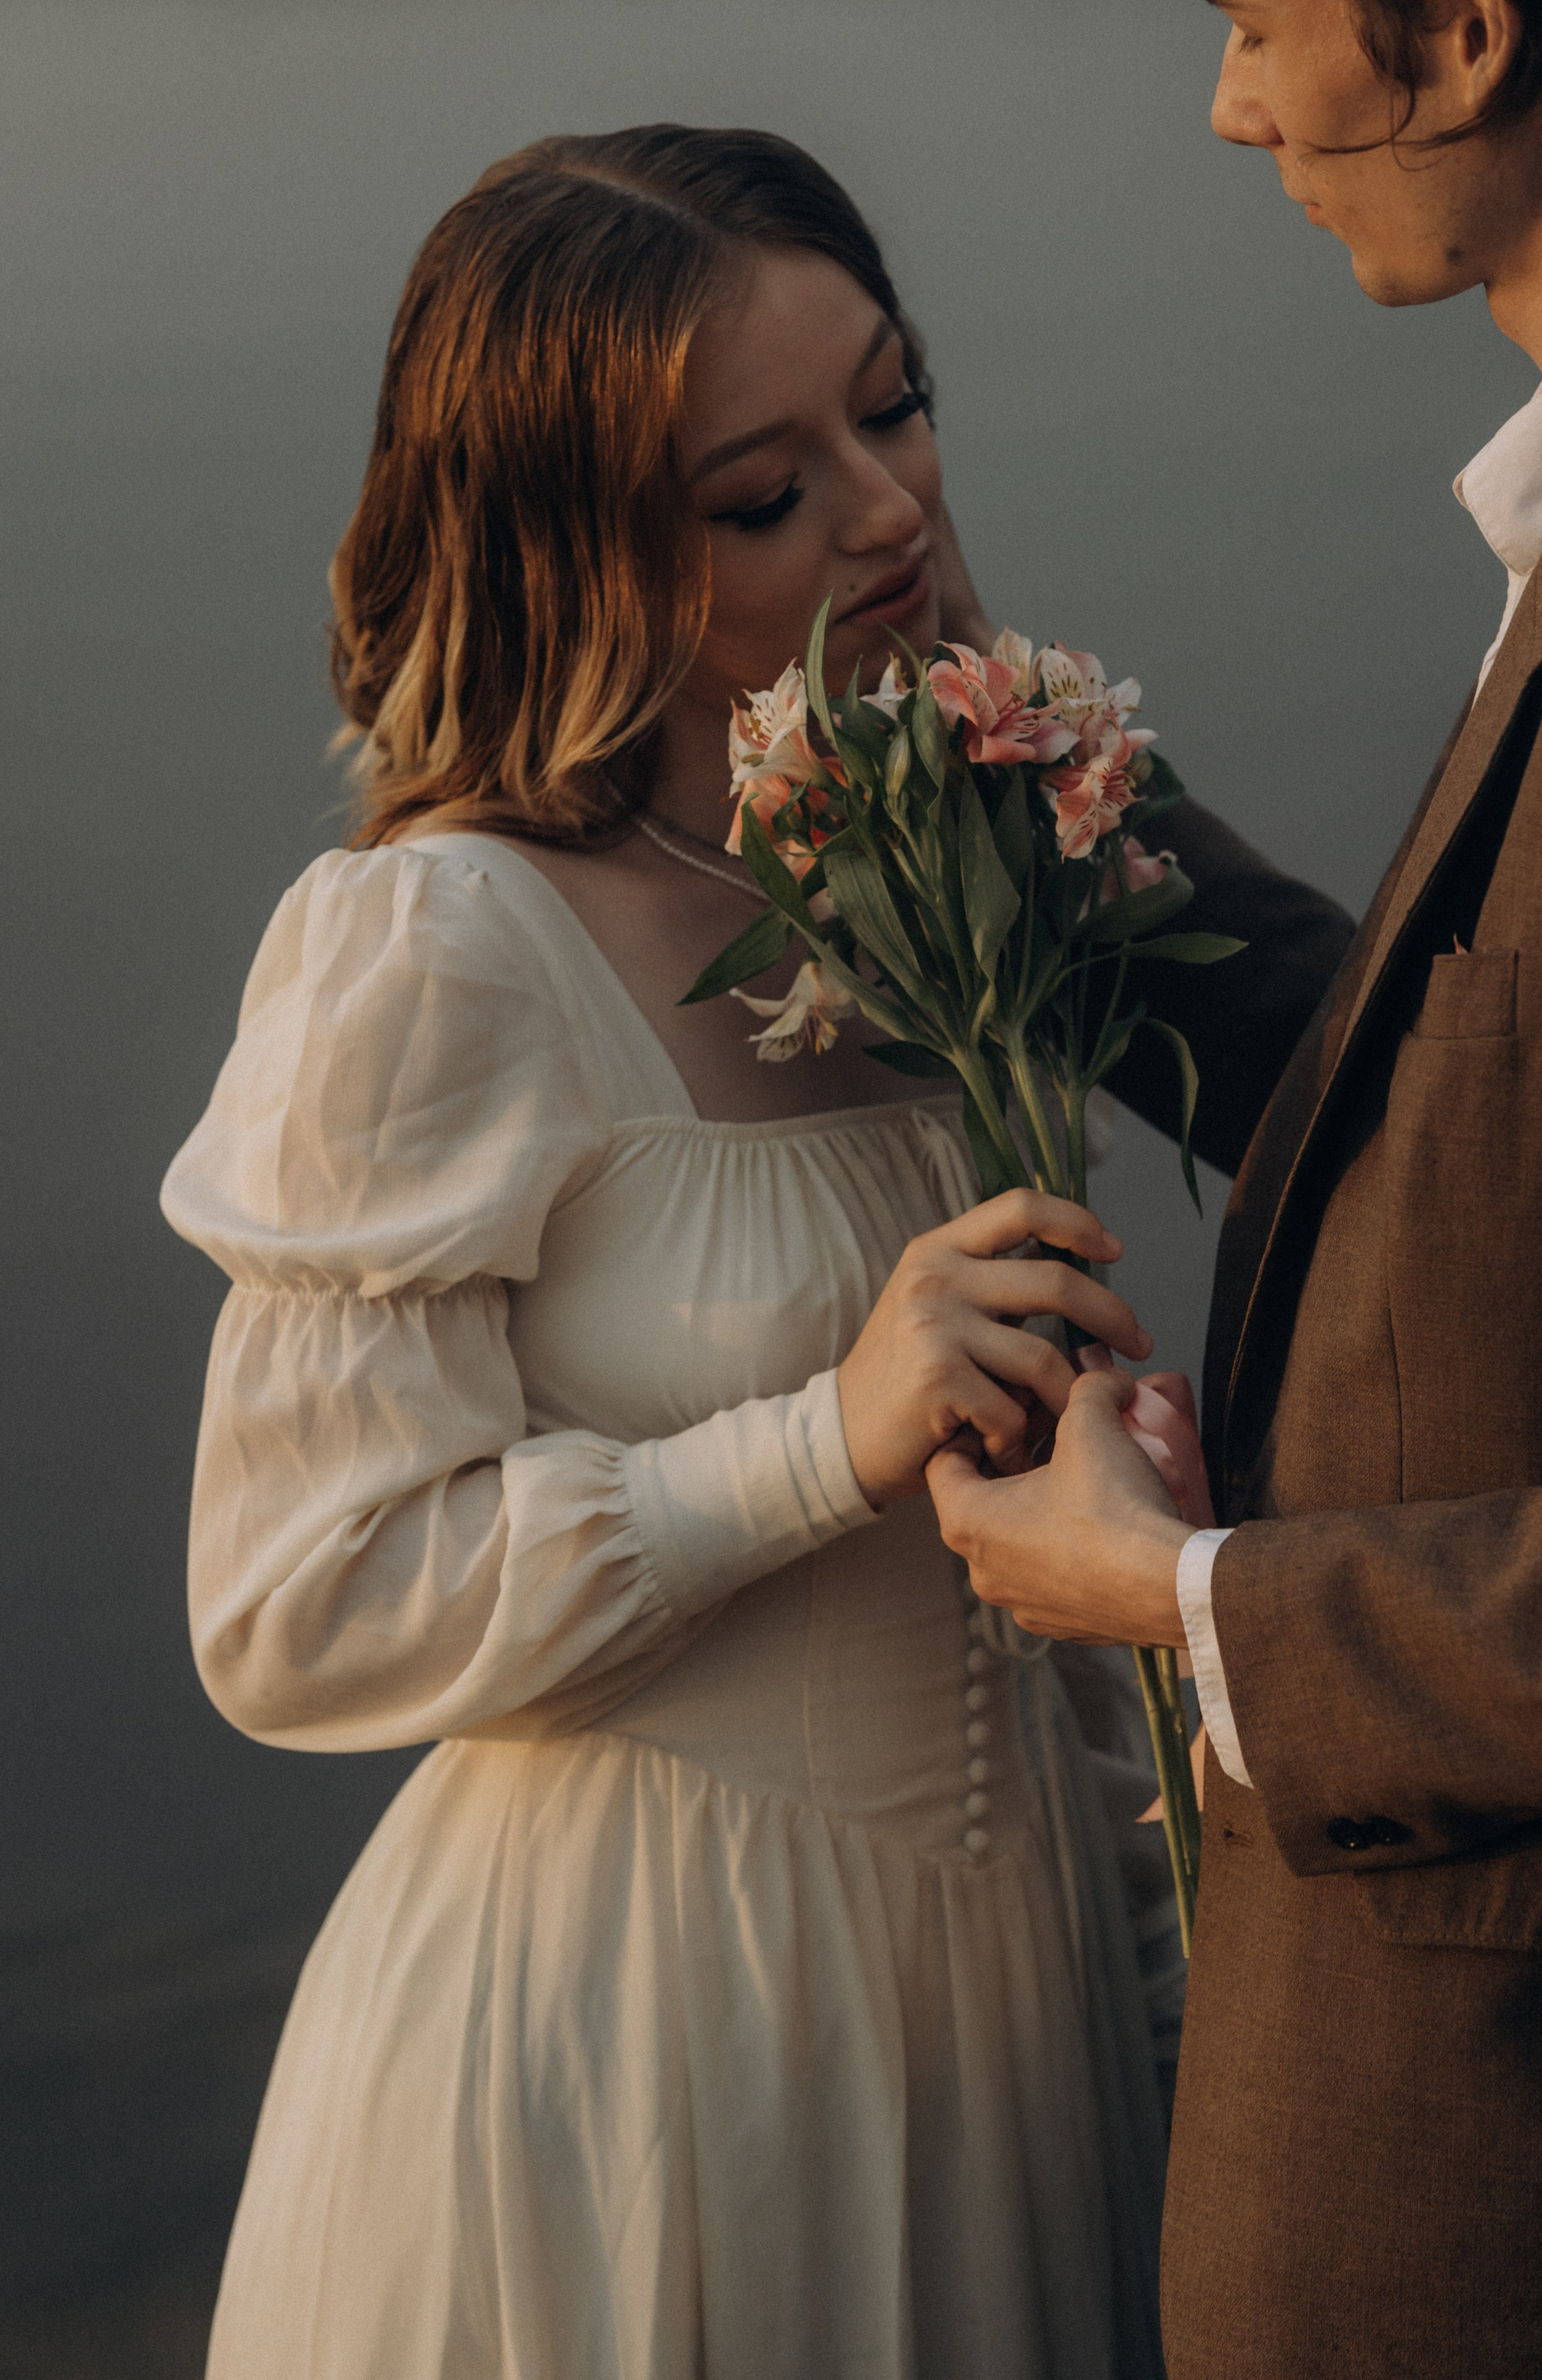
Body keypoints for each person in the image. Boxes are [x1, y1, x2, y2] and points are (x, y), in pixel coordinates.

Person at [161, 126, 1173, 2380]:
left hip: (1012, 2023)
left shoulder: (950, 874)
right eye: (763, 495)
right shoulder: (445, 940)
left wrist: (1162, 1961)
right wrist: (819, 1439)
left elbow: (1021, 1562)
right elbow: (293, 1607)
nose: (888, 508)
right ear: (577, 553)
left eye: (891, 407)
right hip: (639, 2040)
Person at [930, 0, 1542, 2373]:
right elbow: (1493, 1099)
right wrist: (997, 746)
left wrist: (1180, 1598)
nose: (1234, 113)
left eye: (1249, 21)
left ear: (1466, 34)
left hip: (1539, 2217)